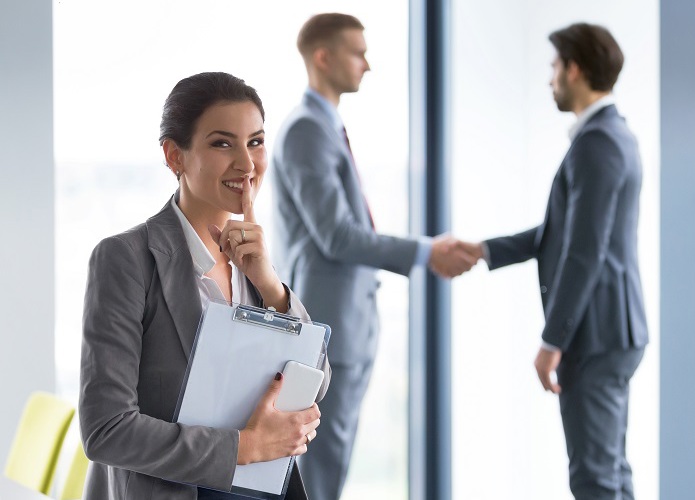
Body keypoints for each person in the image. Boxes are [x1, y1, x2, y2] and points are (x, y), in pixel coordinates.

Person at [79, 72, 331, 500]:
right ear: (174, 156)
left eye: (255, 141)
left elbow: (318, 382)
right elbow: (107, 430)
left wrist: (270, 285)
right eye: (222, 143)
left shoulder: (253, 264)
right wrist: (244, 448)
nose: (247, 164)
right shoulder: (126, 259)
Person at [270, 13, 477, 500]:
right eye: (357, 52)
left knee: (327, 466)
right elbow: (338, 236)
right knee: (318, 471)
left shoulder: (325, 126)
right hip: (326, 332)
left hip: (344, 329)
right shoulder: (306, 130)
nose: (368, 64)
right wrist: (428, 252)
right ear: (323, 57)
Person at [462, 23, 649, 500]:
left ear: (575, 69)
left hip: (596, 336)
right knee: (610, 472)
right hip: (612, 332)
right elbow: (558, 235)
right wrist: (483, 250)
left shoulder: (599, 144)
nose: (549, 80)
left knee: (593, 478)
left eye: (553, 67)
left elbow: (585, 251)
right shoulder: (612, 135)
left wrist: (552, 340)